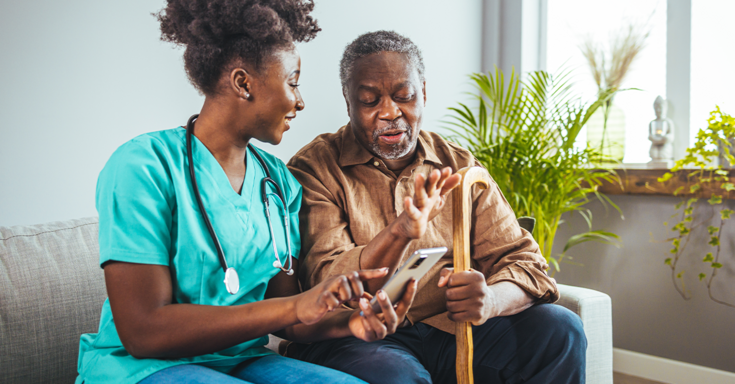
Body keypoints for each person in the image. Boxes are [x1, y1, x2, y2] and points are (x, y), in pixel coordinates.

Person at [75, 5, 427, 384]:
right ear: (243, 83)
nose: (300, 101)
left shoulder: (279, 182)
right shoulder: (143, 166)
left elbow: (292, 318)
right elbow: (143, 331)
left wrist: (355, 320)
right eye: (293, 82)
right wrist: (295, 306)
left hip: (242, 360)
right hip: (144, 367)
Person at [287, 30, 587, 384]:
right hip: (359, 337)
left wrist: (489, 300)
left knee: (560, 329)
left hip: (451, 330)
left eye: (404, 96)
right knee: (396, 374)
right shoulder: (315, 168)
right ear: (347, 100)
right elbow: (329, 282)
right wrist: (400, 232)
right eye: (369, 100)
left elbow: (526, 264)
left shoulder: (459, 164)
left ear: (424, 93)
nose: (389, 112)